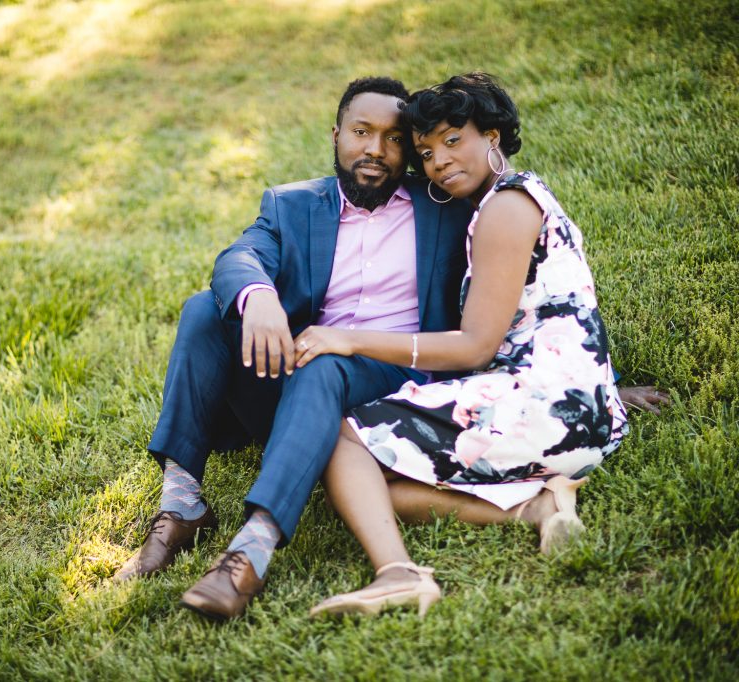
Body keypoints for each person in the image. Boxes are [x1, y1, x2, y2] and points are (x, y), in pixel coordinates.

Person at [111, 76, 474, 621]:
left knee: (325, 360)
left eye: (394, 138)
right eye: (361, 131)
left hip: (397, 383)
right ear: (336, 135)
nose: (375, 149)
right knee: (202, 311)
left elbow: (523, 296)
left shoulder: (445, 208)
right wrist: (258, 297)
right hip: (304, 382)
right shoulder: (291, 205)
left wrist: (596, 382)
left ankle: (251, 548)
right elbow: (239, 256)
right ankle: (182, 502)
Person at [291, 73, 630, 618]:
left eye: (453, 140)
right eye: (425, 152)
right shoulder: (522, 197)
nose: (439, 161)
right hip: (588, 411)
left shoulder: (504, 209)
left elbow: (474, 347)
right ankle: (541, 507)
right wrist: (613, 389)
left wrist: (349, 338)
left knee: (343, 440)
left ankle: (397, 574)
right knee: (373, 485)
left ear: (492, 135)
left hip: (544, 410)